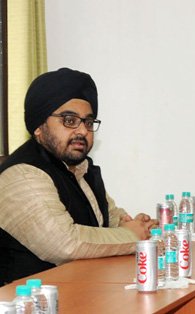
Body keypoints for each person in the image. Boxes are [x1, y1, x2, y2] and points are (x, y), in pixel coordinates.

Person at [0, 68, 157, 284]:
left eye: (88, 122)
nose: (82, 131)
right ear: (38, 126)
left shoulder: (80, 167)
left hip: (82, 290)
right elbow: (65, 243)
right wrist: (132, 236)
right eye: (69, 120)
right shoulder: (22, 175)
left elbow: (109, 218)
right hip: (30, 299)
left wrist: (138, 225)